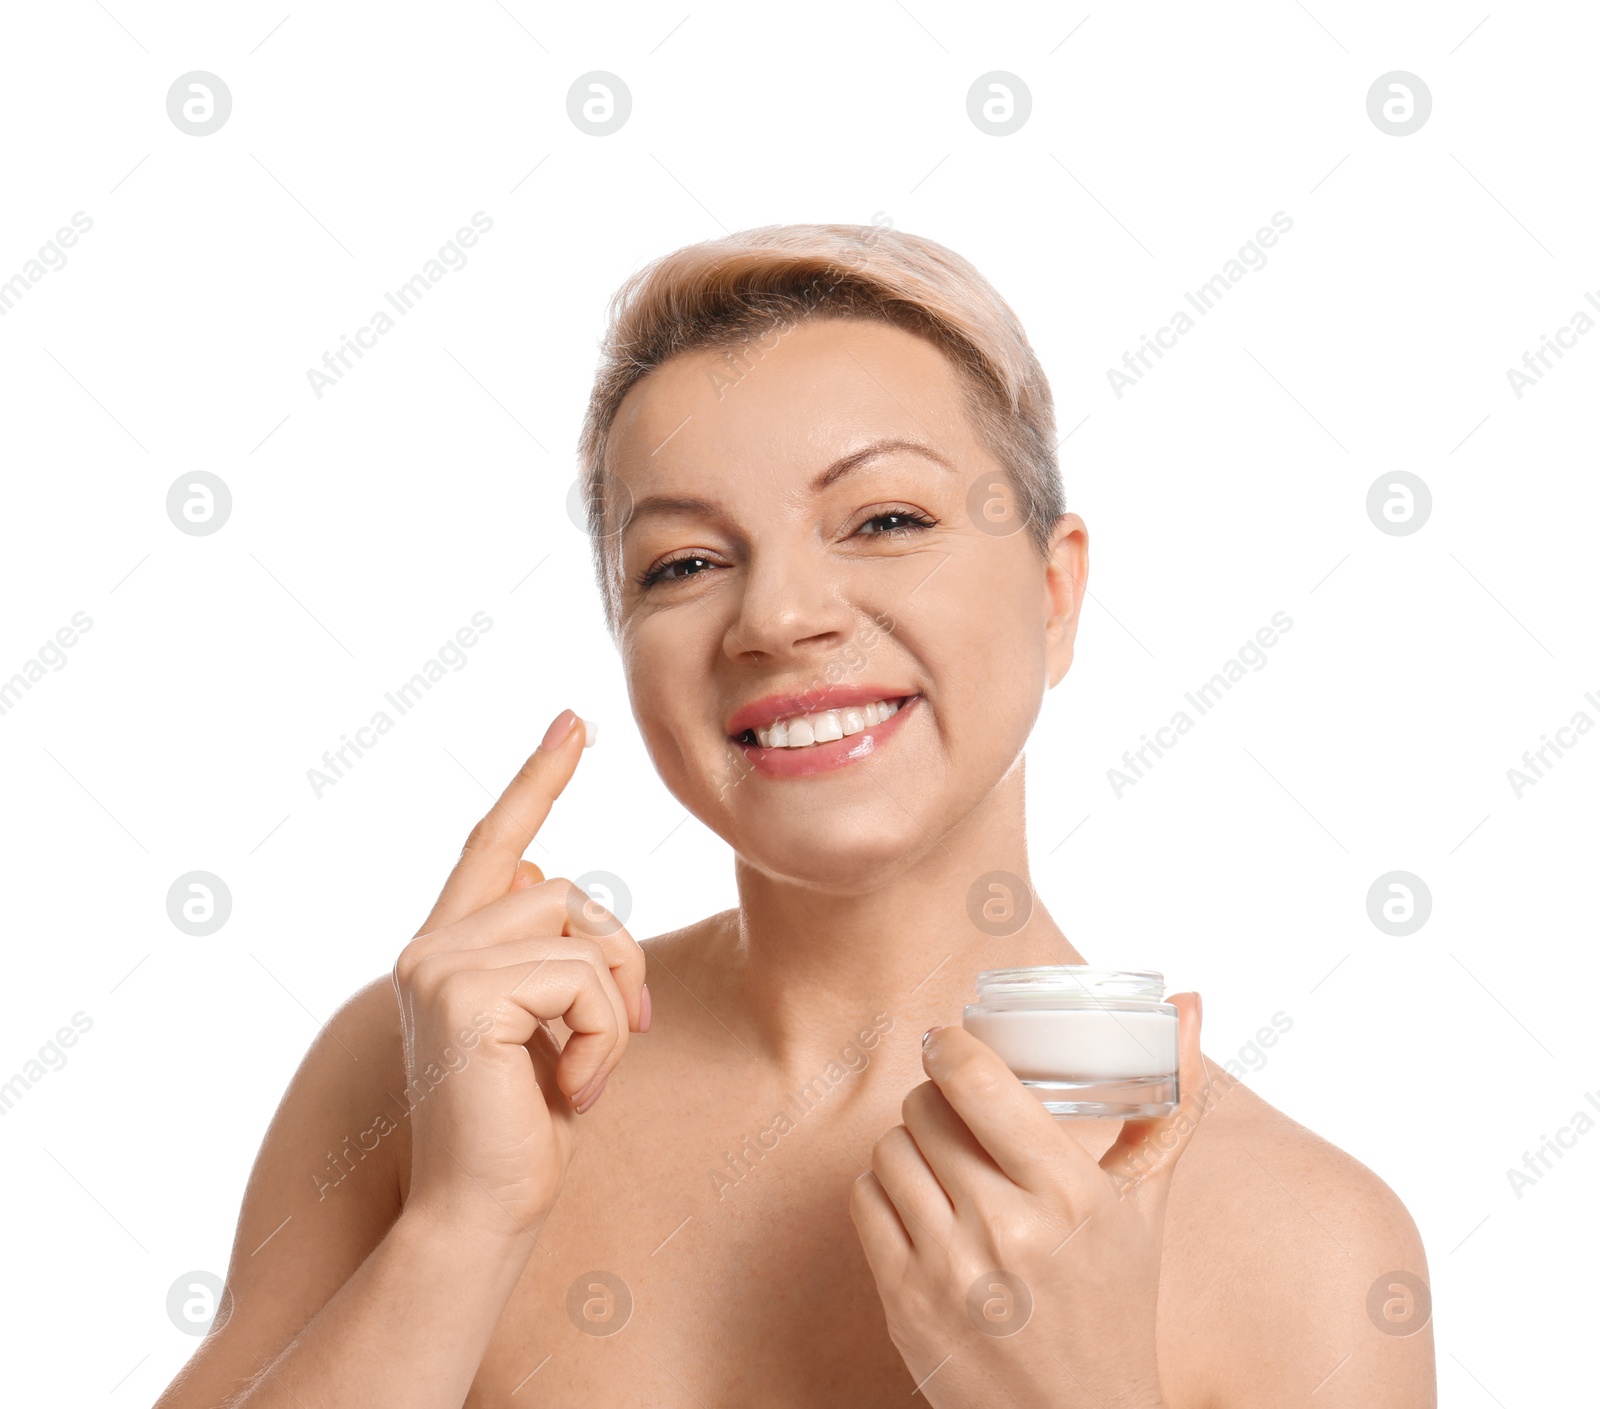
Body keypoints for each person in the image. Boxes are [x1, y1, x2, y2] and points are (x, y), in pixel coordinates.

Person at [154, 223, 1436, 1407]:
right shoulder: (420, 1072)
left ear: (1055, 594)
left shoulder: (1306, 1242)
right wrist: (461, 1224)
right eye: (685, 563)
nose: (777, 616)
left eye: (885, 519)